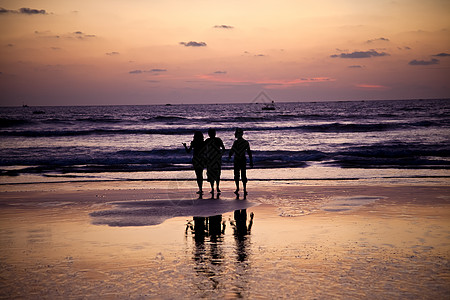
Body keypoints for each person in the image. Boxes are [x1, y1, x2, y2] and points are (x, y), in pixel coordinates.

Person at [228, 128, 253, 196]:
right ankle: (243, 189)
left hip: (238, 160)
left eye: (236, 134)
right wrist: (251, 161)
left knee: (237, 174)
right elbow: (249, 152)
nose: (235, 135)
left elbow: (232, 150)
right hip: (242, 159)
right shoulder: (245, 142)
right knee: (242, 174)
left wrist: (229, 156)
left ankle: (238, 188)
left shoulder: (237, 142)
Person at [204, 128, 225, 195]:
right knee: (211, 174)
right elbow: (203, 149)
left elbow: (223, 148)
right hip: (210, 159)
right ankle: (212, 188)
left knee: (217, 173)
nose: (211, 134)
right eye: (210, 133)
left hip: (216, 159)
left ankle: (217, 187)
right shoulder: (207, 140)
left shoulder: (218, 140)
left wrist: (220, 155)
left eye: (212, 133)